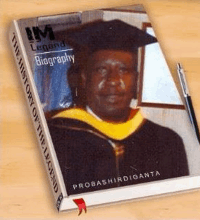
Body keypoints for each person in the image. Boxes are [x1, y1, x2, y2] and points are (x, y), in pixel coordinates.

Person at [47, 20, 189, 195]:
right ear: (84, 79)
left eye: (123, 70)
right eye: (101, 69)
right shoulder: (55, 140)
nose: (113, 80)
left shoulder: (167, 143)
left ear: (136, 81)